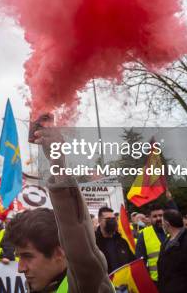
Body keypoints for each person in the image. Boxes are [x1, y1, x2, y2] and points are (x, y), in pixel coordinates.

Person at [10, 119, 112, 292]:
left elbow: (79, 243)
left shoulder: (86, 284)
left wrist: (58, 165)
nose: (20, 268)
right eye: (18, 257)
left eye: (27, 256)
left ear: (59, 252)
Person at [95, 207, 135, 273]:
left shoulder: (122, 242)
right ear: (99, 220)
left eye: (113, 219)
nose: (111, 221)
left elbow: (132, 262)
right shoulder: (94, 243)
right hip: (105, 282)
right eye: (108, 219)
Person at [135, 203, 166, 283]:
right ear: (150, 218)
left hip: (175, 281)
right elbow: (140, 262)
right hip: (156, 282)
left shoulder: (173, 230)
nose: (158, 218)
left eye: (161, 215)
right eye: (155, 216)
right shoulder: (144, 234)